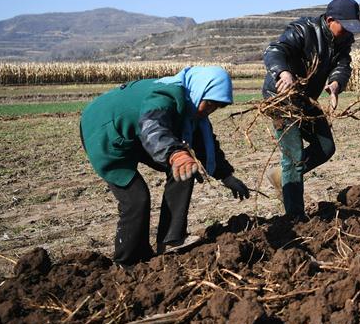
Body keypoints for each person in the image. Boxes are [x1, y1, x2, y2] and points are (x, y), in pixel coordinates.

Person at [80, 66, 250, 266]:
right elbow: (153, 127)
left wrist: (226, 176)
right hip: (106, 131)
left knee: (185, 169)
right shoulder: (166, 95)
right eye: (209, 104)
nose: (209, 111)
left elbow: (204, 144)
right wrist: (175, 153)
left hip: (136, 131)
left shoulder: (191, 108)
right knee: (136, 198)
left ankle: (170, 239)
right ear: (199, 90)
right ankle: (127, 261)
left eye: (215, 107)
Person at [262, 0, 360, 219]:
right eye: (346, 27)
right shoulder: (303, 30)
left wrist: (336, 83)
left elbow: (342, 64)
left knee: (326, 147)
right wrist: (284, 72)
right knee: (294, 156)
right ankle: (295, 215)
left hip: (305, 99)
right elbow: (275, 50)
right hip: (281, 98)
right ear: (330, 20)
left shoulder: (342, 41)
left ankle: (283, 176)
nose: (350, 33)